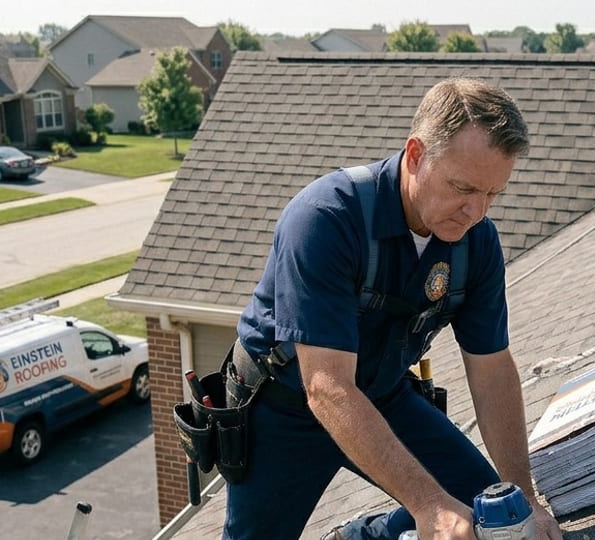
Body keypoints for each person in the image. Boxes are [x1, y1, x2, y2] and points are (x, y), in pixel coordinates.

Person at [223, 78, 563, 540]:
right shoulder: (326, 219)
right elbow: (326, 387)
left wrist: (524, 497)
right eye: (463, 188)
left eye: (492, 195)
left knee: (490, 518)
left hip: (382, 394)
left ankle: (365, 536)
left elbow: (492, 369)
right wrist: (428, 504)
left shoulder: (476, 242)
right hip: (284, 408)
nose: (476, 212)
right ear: (417, 155)